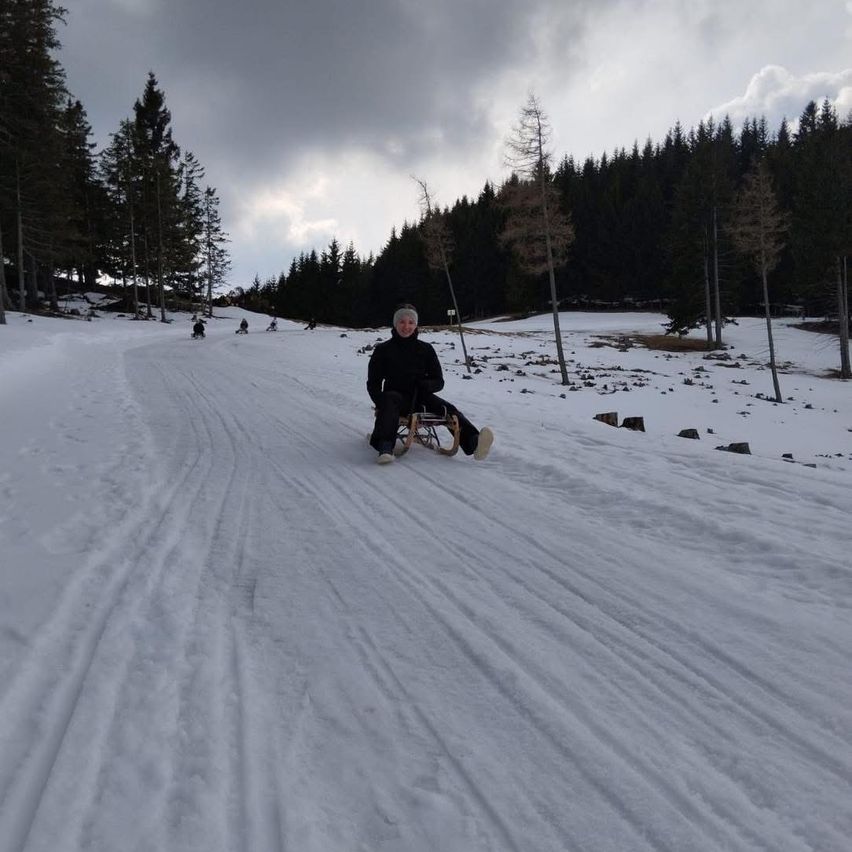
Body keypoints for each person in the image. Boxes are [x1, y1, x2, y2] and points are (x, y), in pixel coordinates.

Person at [367, 304, 493, 465]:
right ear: (395, 324)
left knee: (448, 410)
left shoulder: (425, 349)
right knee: (391, 400)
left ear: (416, 325)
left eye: (411, 322)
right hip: (395, 399)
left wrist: (426, 385)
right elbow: (373, 382)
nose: (406, 326)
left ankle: (474, 442)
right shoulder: (383, 350)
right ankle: (385, 447)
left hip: (421, 396)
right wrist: (381, 403)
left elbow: (439, 381)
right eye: (402, 322)